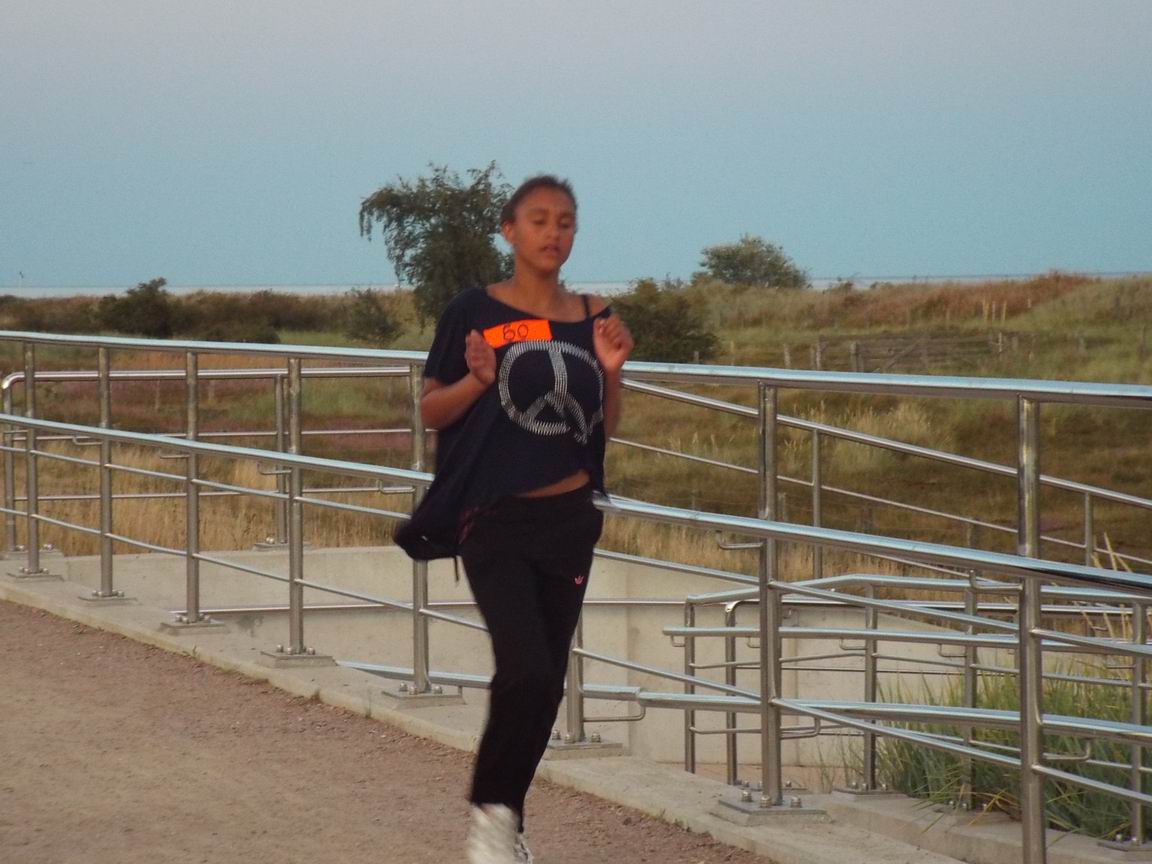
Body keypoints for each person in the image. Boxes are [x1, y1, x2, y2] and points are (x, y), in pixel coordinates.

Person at [397, 175, 633, 864]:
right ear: (509, 230)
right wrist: (478, 380)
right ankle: (491, 821)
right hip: (494, 517)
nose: (553, 233)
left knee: (546, 684)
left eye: (565, 222)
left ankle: (506, 822)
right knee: (525, 669)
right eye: (539, 220)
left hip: (570, 520)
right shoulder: (472, 310)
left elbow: (602, 426)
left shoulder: (594, 314)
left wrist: (613, 369)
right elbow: (431, 410)